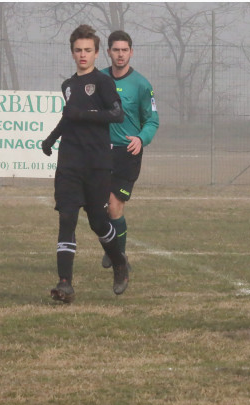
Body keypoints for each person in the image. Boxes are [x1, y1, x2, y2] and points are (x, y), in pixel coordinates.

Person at [41, 24, 128, 302]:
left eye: (88, 50)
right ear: (72, 52)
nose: (82, 55)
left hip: (97, 163)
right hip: (69, 162)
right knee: (67, 218)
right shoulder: (68, 85)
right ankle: (64, 284)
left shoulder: (103, 82)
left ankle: (119, 263)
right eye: (78, 50)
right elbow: (69, 117)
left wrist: (85, 113)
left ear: (96, 52)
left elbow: (116, 115)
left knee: (98, 221)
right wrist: (51, 139)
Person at [99, 30, 160, 269]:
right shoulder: (98, 79)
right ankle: (112, 245)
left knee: (115, 204)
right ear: (108, 52)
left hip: (128, 152)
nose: (120, 54)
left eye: (125, 50)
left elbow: (152, 120)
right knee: (98, 205)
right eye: (116, 50)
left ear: (131, 52)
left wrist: (141, 139)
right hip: (100, 152)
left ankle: (118, 257)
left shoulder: (142, 85)